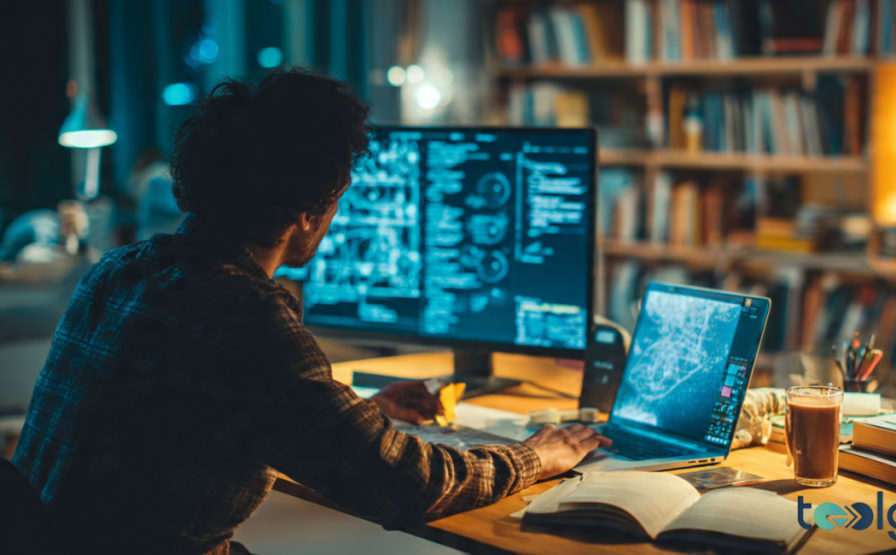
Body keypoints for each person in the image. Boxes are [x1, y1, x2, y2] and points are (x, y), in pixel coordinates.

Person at [13, 68, 609, 555]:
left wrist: (359, 414)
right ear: (307, 212)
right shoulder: (246, 317)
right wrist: (537, 454)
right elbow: (403, 487)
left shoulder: (118, 272)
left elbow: (190, 415)